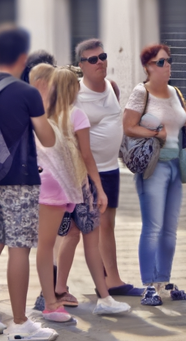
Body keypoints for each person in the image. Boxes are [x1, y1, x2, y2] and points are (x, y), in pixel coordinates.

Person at [0, 25, 58, 341]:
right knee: (18, 249)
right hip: (19, 180)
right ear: (23, 57)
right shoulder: (27, 93)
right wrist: (43, 107)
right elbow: (47, 138)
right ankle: (20, 324)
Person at [32, 64, 129, 323]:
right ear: (72, 89)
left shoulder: (44, 116)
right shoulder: (77, 115)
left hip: (48, 185)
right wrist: (98, 188)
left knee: (54, 241)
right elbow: (87, 156)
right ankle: (104, 298)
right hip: (77, 184)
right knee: (90, 240)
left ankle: (54, 293)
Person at [124, 44, 186, 306]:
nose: (167, 66)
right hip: (154, 167)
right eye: (161, 62)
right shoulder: (140, 92)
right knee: (152, 227)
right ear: (148, 67)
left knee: (170, 229)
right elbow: (128, 127)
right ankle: (148, 285)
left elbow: (183, 119)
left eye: (168, 61)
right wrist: (157, 133)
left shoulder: (175, 92)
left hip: (177, 165)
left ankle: (164, 281)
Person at [70, 39, 141, 299]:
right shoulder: (74, 94)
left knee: (107, 225)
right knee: (75, 230)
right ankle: (57, 287)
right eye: (92, 59)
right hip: (86, 171)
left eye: (103, 56)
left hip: (111, 168)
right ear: (81, 65)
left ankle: (113, 280)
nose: (100, 62)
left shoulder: (112, 87)